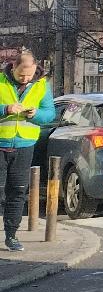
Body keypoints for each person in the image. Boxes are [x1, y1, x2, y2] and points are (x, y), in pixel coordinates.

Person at [0, 48, 57, 252]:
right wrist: (5, 109)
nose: (25, 78)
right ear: (13, 67)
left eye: (29, 74)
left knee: (17, 192)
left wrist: (36, 114)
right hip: (1, 143)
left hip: (25, 145)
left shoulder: (42, 85)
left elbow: (49, 113)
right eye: (21, 73)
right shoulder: (1, 81)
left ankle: (11, 236)